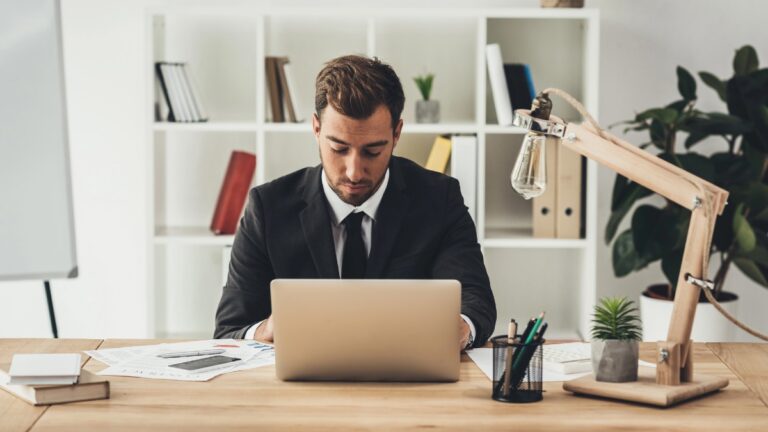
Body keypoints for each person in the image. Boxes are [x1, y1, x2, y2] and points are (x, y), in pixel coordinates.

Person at [214, 55, 496, 350]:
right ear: (316, 129)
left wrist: (462, 327)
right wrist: (268, 329)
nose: (354, 171)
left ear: (396, 133)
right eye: (339, 148)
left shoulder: (439, 199)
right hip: (299, 389)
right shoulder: (267, 207)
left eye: (372, 151)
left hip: (407, 383)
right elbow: (229, 329)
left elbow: (476, 303)